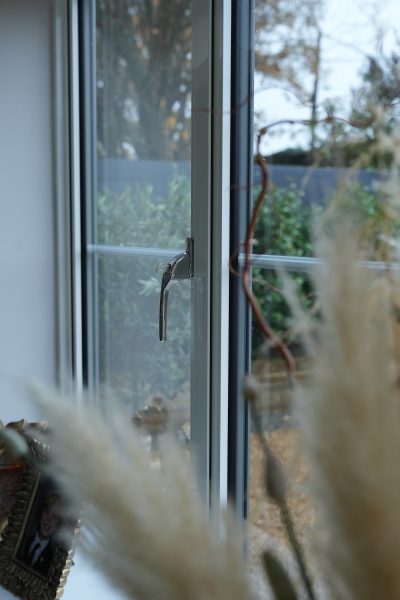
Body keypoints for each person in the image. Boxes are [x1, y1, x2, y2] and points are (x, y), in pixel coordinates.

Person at [20, 491, 64, 577]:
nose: (49, 519)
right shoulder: (22, 541)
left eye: (55, 516)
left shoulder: (53, 561)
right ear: (40, 514)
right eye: (47, 511)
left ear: (57, 525)